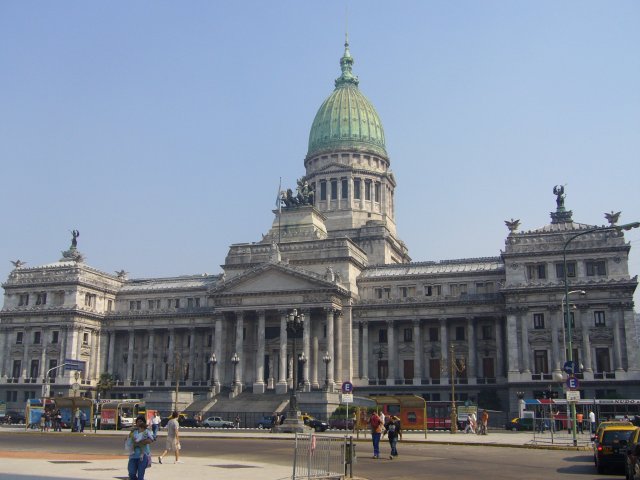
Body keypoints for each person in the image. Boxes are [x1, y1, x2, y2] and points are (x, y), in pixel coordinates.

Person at [125, 415, 154, 480]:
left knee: (140, 475)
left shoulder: (147, 431)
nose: (139, 423)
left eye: (141, 421)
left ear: (144, 423)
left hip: (143, 456)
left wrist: (142, 442)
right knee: (131, 473)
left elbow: (151, 440)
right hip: (133, 456)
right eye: (138, 421)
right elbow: (128, 439)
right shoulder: (133, 431)